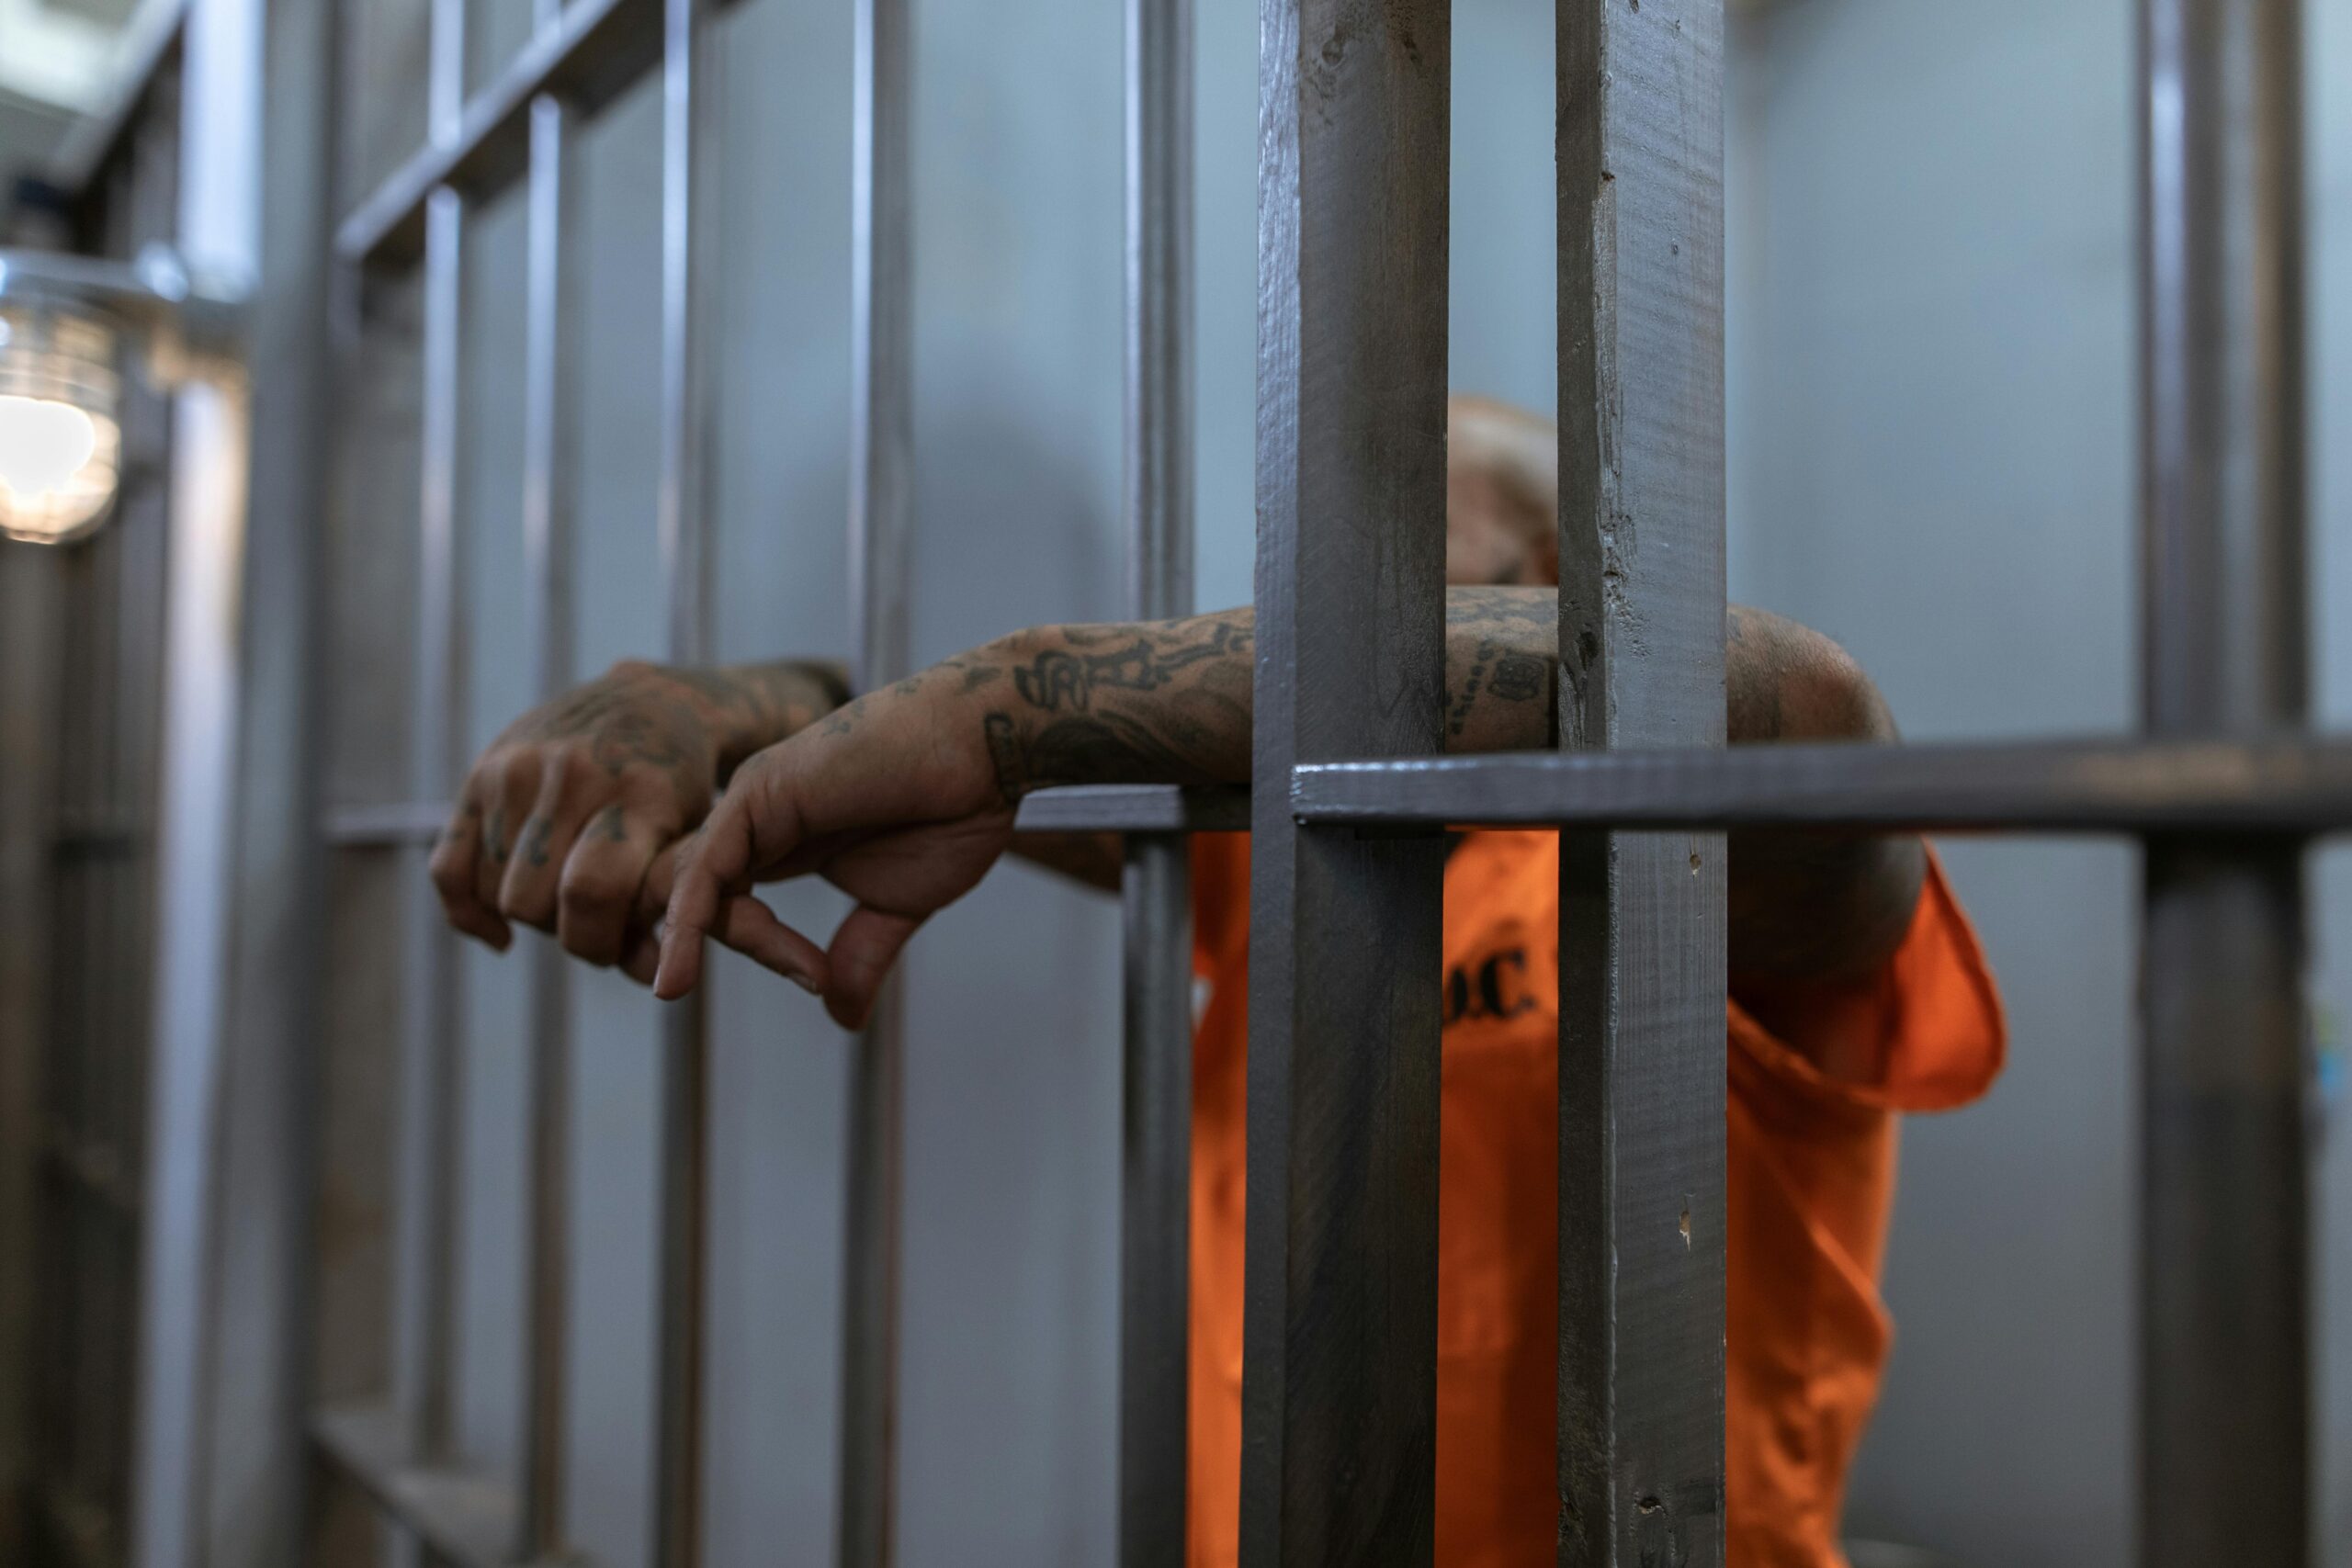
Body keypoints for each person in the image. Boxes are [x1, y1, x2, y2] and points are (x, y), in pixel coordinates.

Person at [431, 397, 2005, 1567]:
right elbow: (868, 751)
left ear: (1538, 572)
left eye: (1394, 519)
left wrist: (1019, 702)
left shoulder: (1677, 885)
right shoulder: (1297, 865)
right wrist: (722, 703)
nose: (1295, 584)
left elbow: (1793, 708)